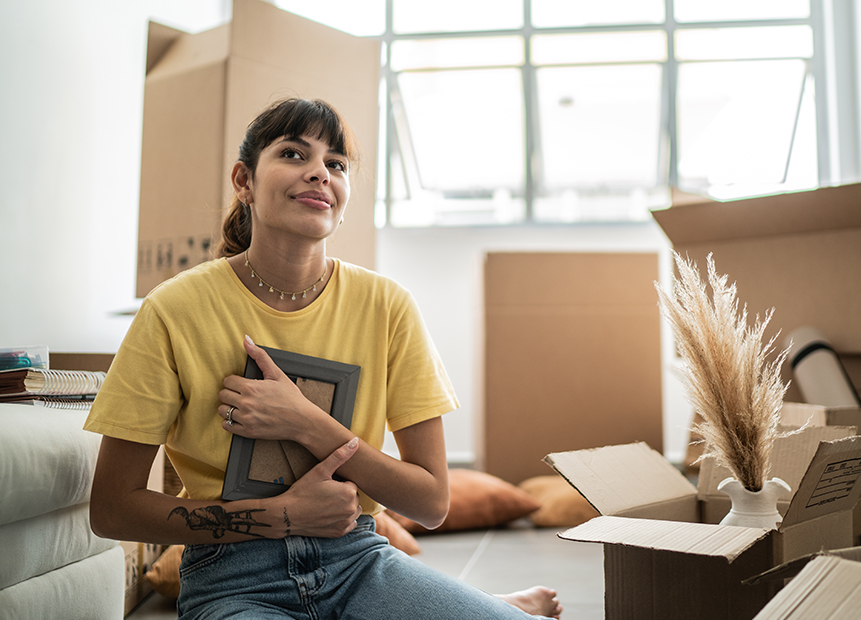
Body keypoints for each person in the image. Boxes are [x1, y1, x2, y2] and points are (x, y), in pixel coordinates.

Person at [85, 97, 562, 620]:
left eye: (335, 164)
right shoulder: (175, 309)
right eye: (294, 154)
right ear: (244, 181)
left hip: (358, 562)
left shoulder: (387, 305)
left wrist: (306, 421)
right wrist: (278, 517)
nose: (319, 173)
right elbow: (112, 508)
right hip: (233, 579)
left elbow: (430, 503)